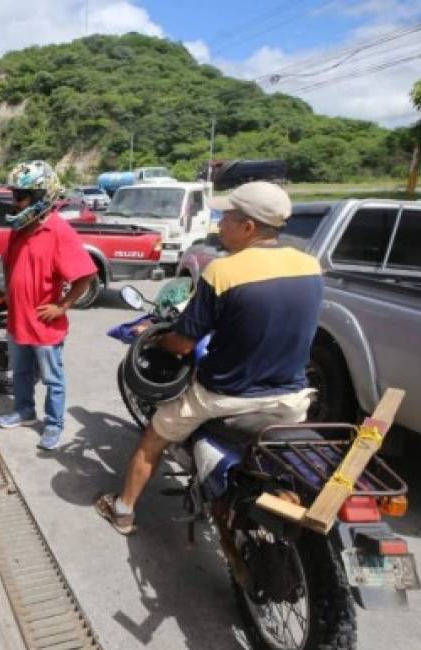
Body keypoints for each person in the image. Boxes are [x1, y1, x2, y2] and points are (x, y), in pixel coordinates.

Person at [95, 181, 323, 535]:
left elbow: (184, 344)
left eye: (228, 217)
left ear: (248, 227)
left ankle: (122, 509)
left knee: (154, 437)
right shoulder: (310, 265)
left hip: (224, 397)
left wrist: (157, 342)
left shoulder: (223, 271)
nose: (220, 225)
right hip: (291, 398)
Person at [0, 160, 97, 451]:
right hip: (18, 321)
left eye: (21, 196)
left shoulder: (58, 231)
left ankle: (53, 425)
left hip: (45, 325)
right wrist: (10, 297)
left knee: (53, 379)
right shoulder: (19, 228)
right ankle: (25, 411)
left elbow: (86, 275)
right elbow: (8, 264)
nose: (15, 202)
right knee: (21, 372)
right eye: (14, 195)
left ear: (41, 196)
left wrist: (62, 306)